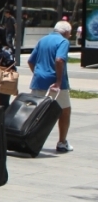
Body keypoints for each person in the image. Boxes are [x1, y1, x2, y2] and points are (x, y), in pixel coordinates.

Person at [28, 20, 74, 153]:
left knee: (36, 112)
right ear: (65, 32)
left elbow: (31, 61)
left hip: (38, 81)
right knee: (65, 111)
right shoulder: (63, 42)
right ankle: (62, 142)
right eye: (69, 34)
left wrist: (38, 74)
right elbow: (59, 60)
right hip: (55, 84)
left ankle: (29, 138)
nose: (69, 36)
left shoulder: (43, 40)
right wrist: (59, 81)